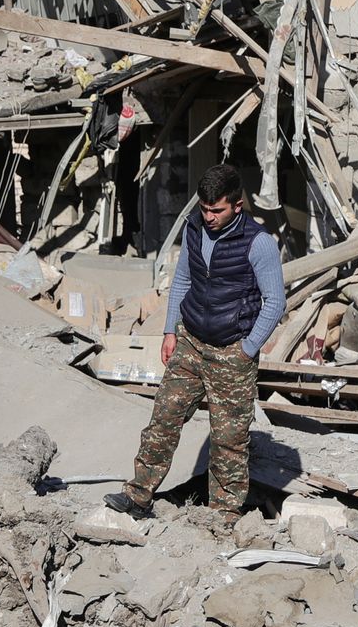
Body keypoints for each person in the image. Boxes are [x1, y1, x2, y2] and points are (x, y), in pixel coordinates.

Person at [110, 164, 285, 528]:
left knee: (229, 439)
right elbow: (182, 280)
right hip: (190, 341)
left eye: (216, 210)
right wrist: (171, 331)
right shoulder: (194, 227)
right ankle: (138, 494)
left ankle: (222, 513)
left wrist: (248, 349)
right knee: (163, 420)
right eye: (204, 209)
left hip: (231, 352)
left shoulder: (259, 243)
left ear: (237, 206)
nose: (209, 217)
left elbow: (275, 302)